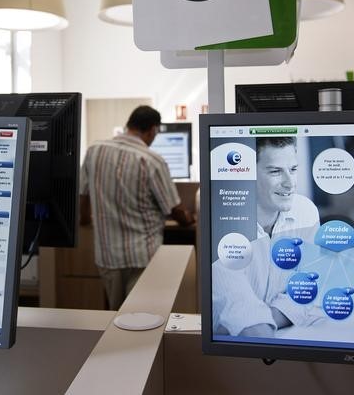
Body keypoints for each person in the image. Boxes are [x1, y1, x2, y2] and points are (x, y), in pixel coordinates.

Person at [80, 105, 194, 310]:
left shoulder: (94, 151)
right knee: (140, 317)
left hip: (107, 255)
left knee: (115, 316)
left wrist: (85, 221)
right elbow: (173, 209)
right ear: (152, 130)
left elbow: (83, 198)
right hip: (142, 257)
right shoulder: (151, 160)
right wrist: (189, 219)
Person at [212, 136, 322, 337]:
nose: (290, 183)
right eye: (275, 171)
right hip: (231, 357)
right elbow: (248, 323)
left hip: (286, 335)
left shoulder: (305, 212)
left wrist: (263, 318)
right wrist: (276, 315)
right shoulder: (223, 225)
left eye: (293, 169)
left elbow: (312, 291)